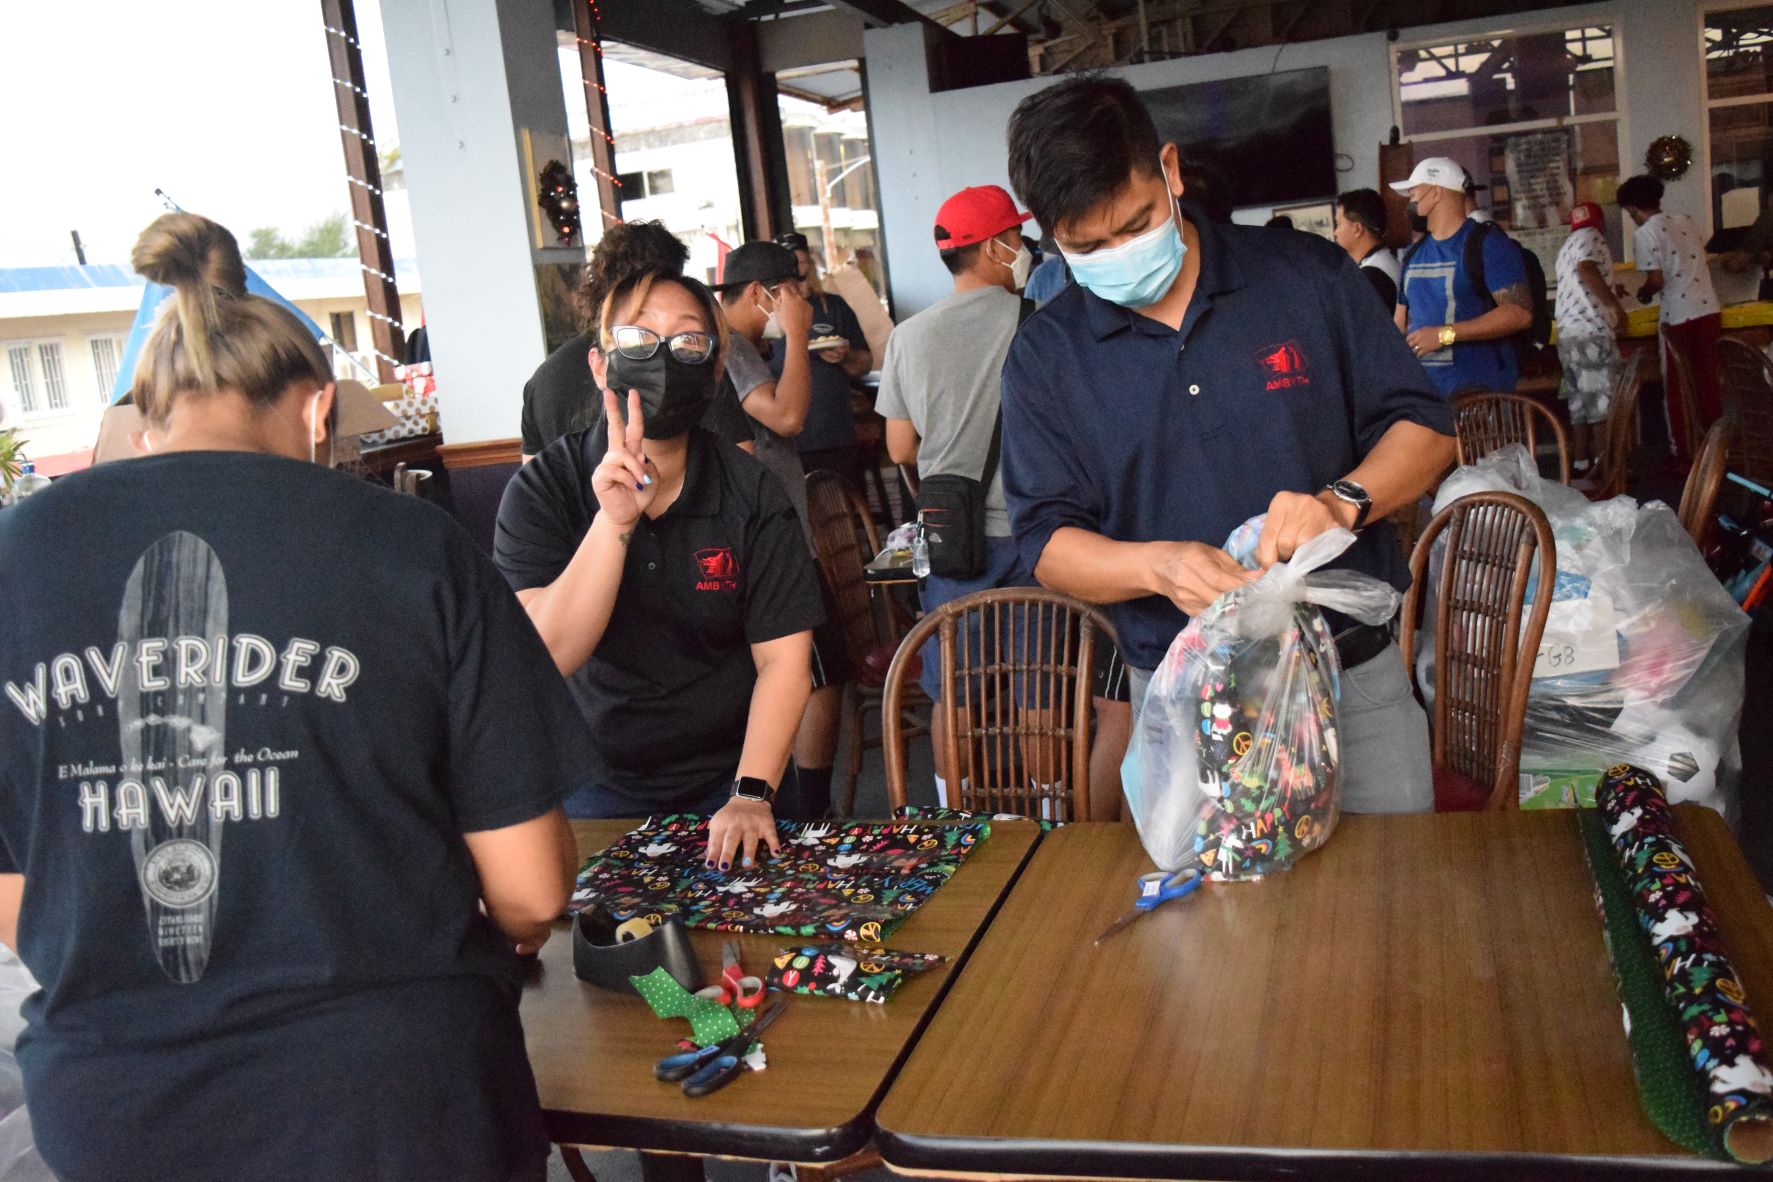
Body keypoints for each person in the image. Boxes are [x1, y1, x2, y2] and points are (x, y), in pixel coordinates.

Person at [0, 213, 587, 1181]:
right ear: (318, 412)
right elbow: (530, 892)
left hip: (117, 1111)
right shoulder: (411, 548)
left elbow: (23, 898)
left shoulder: (19, 561)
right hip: (394, 1102)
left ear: (145, 417)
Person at [1002, 75, 1455, 815]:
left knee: (1392, 909)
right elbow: (1045, 541)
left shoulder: (1303, 279)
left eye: (1135, 223)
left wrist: (1341, 506)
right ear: (1049, 235)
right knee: (1214, 925)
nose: (1118, 254)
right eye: (1086, 245)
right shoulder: (1047, 356)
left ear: (1171, 172)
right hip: (1184, 696)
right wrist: (1156, 565)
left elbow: (1426, 430)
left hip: (1351, 678)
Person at [495, 269, 823, 862]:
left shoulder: (750, 491)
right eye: (639, 339)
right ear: (600, 366)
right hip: (589, 785)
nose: (665, 357)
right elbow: (546, 654)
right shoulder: (545, 487)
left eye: (689, 341)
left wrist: (751, 793)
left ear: (716, 369)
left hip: (736, 778)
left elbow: (783, 660)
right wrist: (615, 521)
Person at [874, 184, 1043, 803]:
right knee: (1037, 684)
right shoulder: (1035, 321)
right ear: (998, 247)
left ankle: (955, 812)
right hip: (1031, 534)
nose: (1023, 247)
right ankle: (1049, 813)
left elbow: (898, 448)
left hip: (952, 537)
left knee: (955, 689)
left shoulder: (908, 337)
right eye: (1017, 237)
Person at [715, 242, 850, 820]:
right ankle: (808, 809)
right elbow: (788, 417)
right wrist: (797, 336)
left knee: (821, 668)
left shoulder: (743, 345)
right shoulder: (732, 345)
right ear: (760, 293)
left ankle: (801, 804)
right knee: (818, 672)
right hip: (771, 537)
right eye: (793, 291)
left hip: (769, 531)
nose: (804, 300)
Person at [520, 219, 752, 461]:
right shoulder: (690, 363)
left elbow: (531, 474)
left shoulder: (544, 377)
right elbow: (741, 459)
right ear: (597, 367)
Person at [1392, 155, 1533, 395]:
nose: (1409, 203)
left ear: (1436, 193)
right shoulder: (1413, 255)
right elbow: (1400, 322)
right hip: (1426, 399)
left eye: (1414, 194)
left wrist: (1445, 334)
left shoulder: (1488, 245)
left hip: (1480, 397)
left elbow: (1519, 314)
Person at [1616, 173, 1723, 461]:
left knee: (1676, 389)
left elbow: (1656, 280)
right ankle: (1717, 450)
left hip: (1678, 317)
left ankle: (1684, 455)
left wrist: (1642, 294)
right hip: (1709, 310)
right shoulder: (1685, 220)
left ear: (1632, 208)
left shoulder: (1645, 233)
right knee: (1708, 383)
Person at [772, 232, 872, 489]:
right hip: (789, 442)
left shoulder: (834, 306)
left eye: (801, 260)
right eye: (789, 262)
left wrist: (846, 356)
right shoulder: (767, 313)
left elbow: (865, 363)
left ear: (810, 262)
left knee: (848, 515)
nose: (797, 268)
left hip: (836, 433)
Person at [1554, 202, 1629, 470]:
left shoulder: (1567, 245)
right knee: (1601, 402)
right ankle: (1608, 468)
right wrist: (1614, 306)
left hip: (1568, 333)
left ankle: (1581, 463)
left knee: (1579, 404)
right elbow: (1586, 269)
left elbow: (1580, 277)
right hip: (1590, 332)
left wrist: (1609, 288)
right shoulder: (1592, 237)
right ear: (1601, 222)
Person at [1333, 188, 1400, 311]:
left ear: (1357, 229)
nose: (1335, 232)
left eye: (1338, 224)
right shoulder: (1383, 261)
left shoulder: (1372, 276)